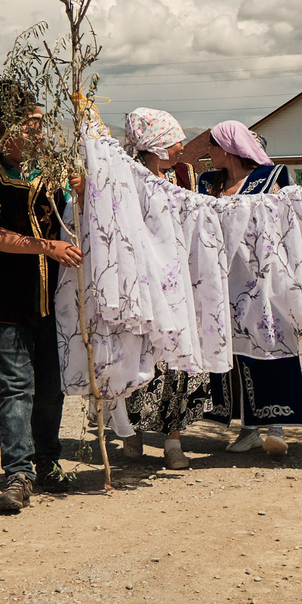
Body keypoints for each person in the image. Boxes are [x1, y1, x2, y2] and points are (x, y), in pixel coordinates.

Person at [0, 81, 83, 512]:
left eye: (39, 122)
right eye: (29, 123)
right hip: (6, 303)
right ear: (3, 133)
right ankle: (18, 471)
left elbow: (76, 219)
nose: (38, 130)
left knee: (52, 389)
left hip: (55, 302)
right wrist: (45, 246)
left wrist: (83, 191)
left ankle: (48, 461)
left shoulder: (54, 177)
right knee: (15, 389)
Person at [206, 119, 302, 458]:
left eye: (212, 145)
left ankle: (276, 427)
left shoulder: (270, 178)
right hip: (224, 282)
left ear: (227, 148)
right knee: (237, 354)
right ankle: (248, 430)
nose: (208, 153)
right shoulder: (209, 183)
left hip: (264, 279)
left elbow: (285, 224)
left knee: (270, 344)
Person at [120, 107, 211, 469]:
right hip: (143, 282)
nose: (181, 147)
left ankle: (173, 439)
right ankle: (133, 432)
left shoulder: (182, 175)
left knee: (177, 359)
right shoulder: (127, 179)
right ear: (156, 144)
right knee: (141, 355)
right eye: (174, 140)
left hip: (179, 282)